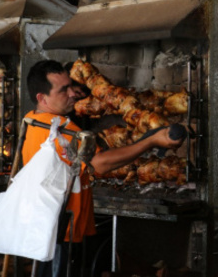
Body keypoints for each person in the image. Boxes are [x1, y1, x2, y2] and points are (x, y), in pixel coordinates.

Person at [22, 60, 184, 277]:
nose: (71, 93)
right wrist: (151, 141)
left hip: (43, 227)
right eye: (63, 90)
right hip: (63, 231)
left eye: (71, 86)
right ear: (42, 98)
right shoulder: (61, 130)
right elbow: (99, 164)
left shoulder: (32, 121)